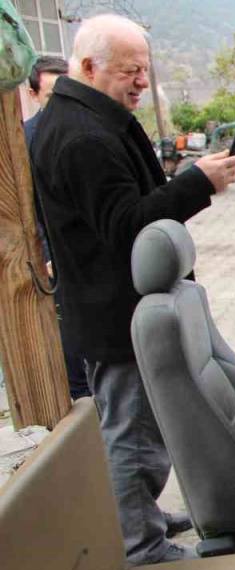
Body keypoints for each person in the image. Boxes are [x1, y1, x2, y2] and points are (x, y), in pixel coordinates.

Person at [30, 14, 235, 565]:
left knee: (141, 429)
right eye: (131, 71)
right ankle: (139, 547)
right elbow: (128, 228)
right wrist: (199, 184)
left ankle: (140, 516)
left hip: (115, 309)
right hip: (114, 315)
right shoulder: (81, 136)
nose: (141, 83)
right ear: (88, 66)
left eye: (145, 72)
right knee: (131, 437)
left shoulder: (93, 118)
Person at [21, 55, 88, 401]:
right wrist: (47, 255)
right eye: (50, 97)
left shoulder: (88, 131)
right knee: (71, 349)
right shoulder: (22, 142)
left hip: (90, 259)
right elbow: (25, 209)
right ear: (32, 95)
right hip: (54, 263)